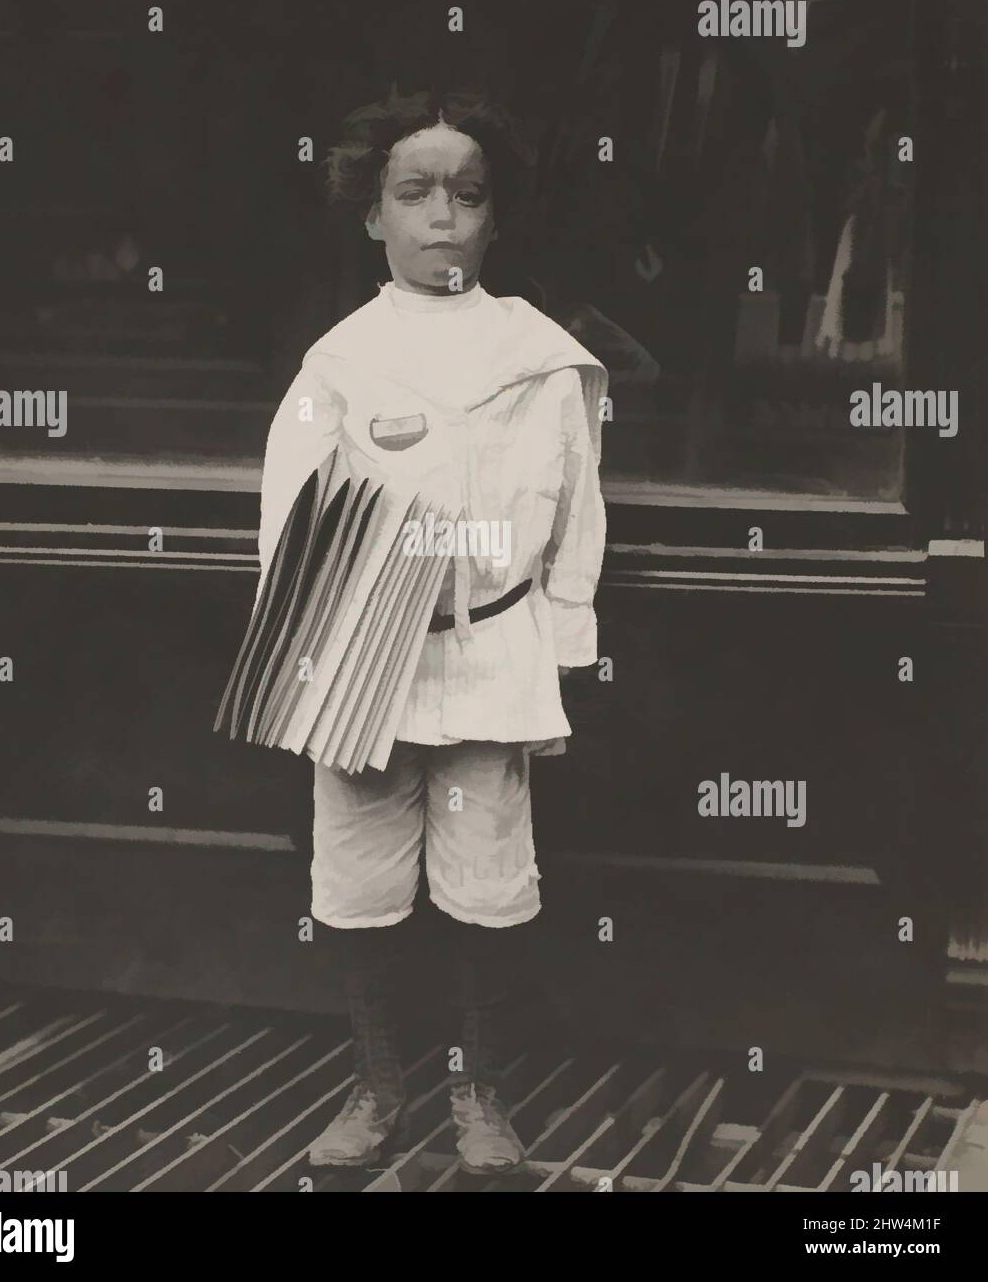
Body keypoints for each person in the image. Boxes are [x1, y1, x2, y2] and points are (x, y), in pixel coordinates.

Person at [254, 88, 607, 1174]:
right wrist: (319, 663)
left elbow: (574, 520)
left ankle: (480, 1094)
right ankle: (376, 1088)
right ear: (374, 217)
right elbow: (286, 531)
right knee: (359, 886)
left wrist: (554, 658)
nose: (440, 215)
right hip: (368, 661)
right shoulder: (338, 365)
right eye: (413, 192)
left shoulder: (539, 360)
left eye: (467, 193)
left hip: (490, 652)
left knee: (485, 886)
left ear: (495, 219)